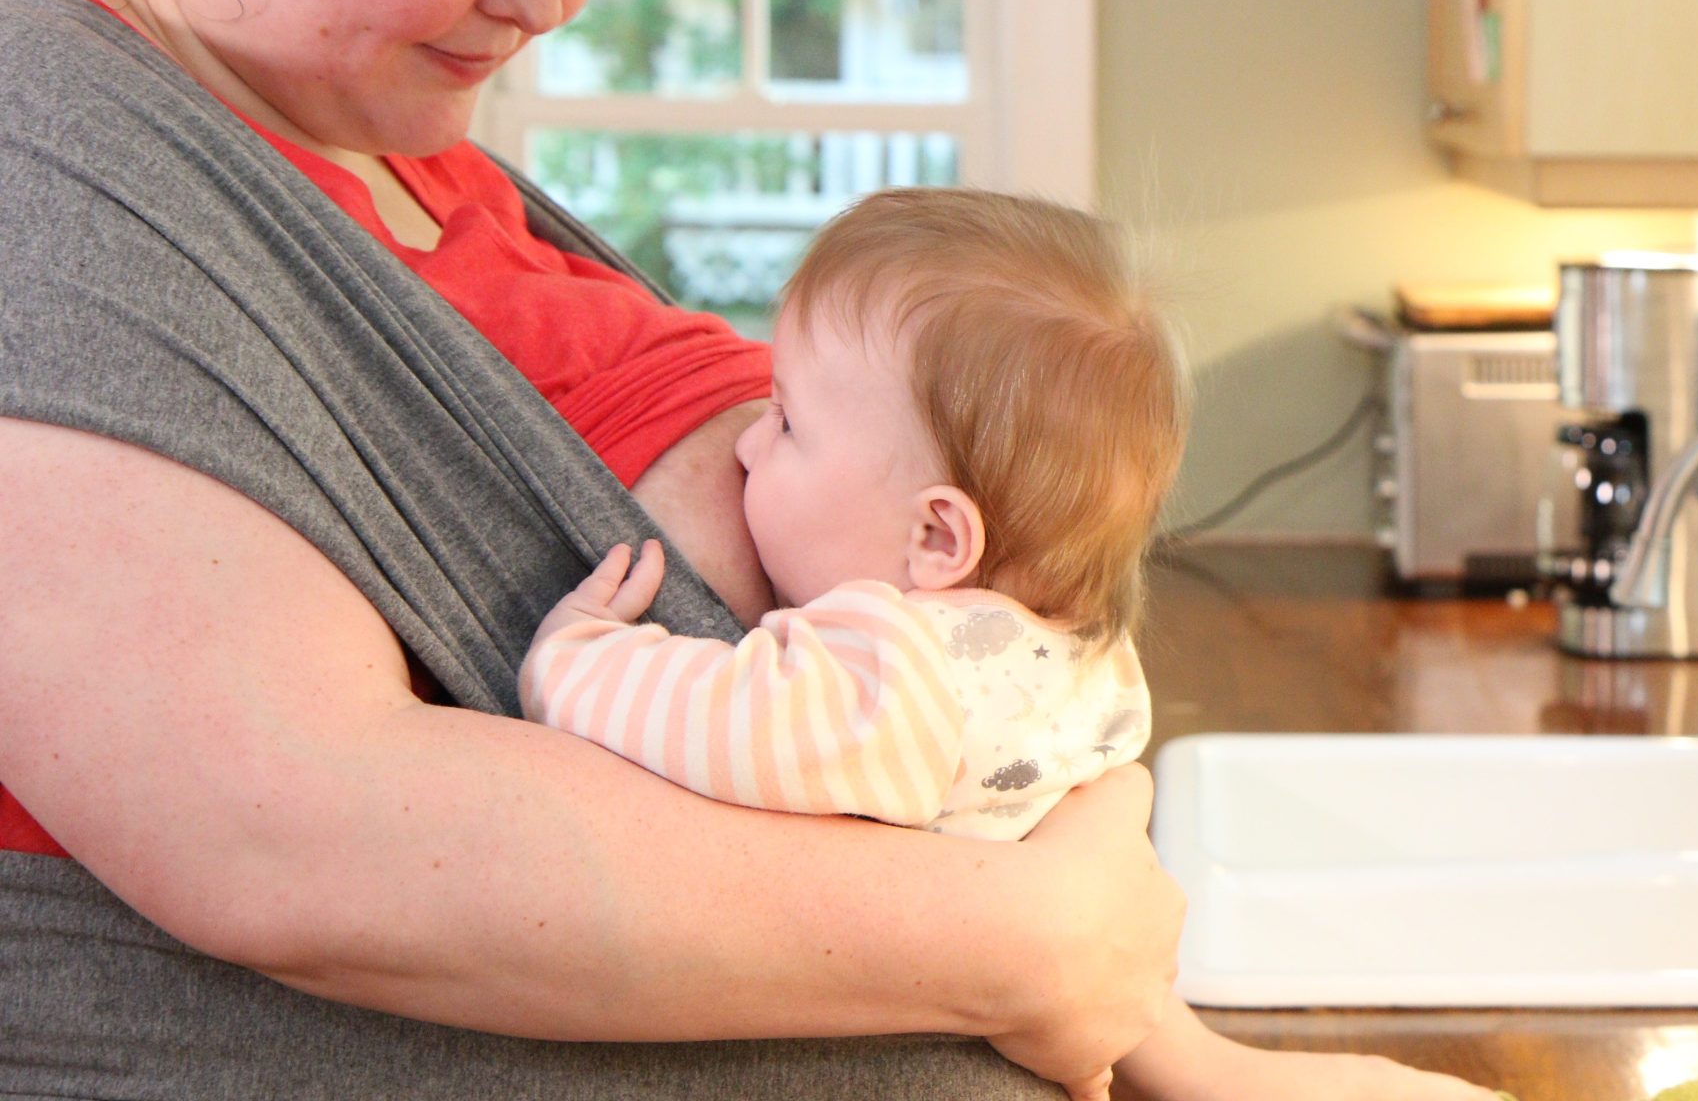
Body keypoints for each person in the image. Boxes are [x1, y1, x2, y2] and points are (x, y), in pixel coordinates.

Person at [0, 0, 1182, 1095]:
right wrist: (1034, 936)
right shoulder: (43, 145)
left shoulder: (370, 139)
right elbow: (292, 838)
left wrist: (1161, 1020)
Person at [520, 189, 1498, 1101]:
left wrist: (580, 656)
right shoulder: (1061, 642)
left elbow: (720, 719)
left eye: (785, 422)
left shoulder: (885, 673)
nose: (743, 443)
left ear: (937, 538)